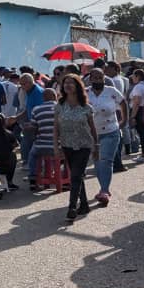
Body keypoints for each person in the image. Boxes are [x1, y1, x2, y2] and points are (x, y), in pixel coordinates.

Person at [53, 74, 97, 221]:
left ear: (78, 86)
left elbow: (92, 128)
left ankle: (72, 207)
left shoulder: (86, 107)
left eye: (71, 82)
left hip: (84, 145)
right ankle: (84, 204)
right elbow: (56, 128)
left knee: (75, 176)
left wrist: (96, 146)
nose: (68, 85)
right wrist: (56, 146)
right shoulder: (59, 106)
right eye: (65, 83)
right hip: (67, 145)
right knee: (77, 175)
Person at [85, 67, 127, 206]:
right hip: (93, 134)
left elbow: (123, 102)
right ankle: (103, 188)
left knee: (106, 161)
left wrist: (124, 120)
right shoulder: (85, 93)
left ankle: (104, 190)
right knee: (97, 162)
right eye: (95, 78)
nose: (98, 80)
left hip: (111, 131)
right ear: (90, 79)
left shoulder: (111, 91)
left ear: (104, 78)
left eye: (100, 78)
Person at [27, 88, 58, 189]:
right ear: (55, 96)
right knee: (58, 155)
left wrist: (36, 137)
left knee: (32, 155)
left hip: (41, 145)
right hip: (58, 145)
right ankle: (57, 174)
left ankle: (33, 178)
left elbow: (34, 128)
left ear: (43, 98)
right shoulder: (61, 108)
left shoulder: (36, 109)